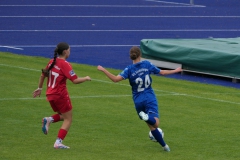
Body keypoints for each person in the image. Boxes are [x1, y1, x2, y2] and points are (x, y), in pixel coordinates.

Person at [97, 46, 182, 152]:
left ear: (131, 56)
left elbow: (115, 79)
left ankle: (165, 147)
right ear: (140, 55)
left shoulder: (129, 69)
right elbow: (162, 72)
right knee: (155, 123)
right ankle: (147, 118)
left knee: (151, 127)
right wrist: (176, 70)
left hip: (138, 101)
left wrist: (103, 69)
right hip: (149, 97)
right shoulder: (146, 64)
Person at [33, 42, 91, 149]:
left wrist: (40, 88)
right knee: (68, 119)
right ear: (65, 52)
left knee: (63, 115)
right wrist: (86, 78)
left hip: (50, 95)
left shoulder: (51, 62)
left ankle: (49, 120)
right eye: (69, 50)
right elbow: (75, 80)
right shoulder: (65, 64)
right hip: (60, 95)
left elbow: (43, 75)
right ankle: (58, 143)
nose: (70, 52)